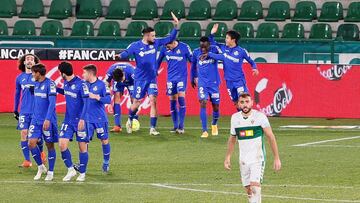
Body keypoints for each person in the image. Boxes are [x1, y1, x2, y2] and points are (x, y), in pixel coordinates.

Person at [118, 12, 179, 135]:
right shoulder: (135, 46)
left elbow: (170, 38)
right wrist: (120, 55)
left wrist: (176, 25)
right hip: (140, 79)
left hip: (152, 78)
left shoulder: (156, 43)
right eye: (152, 36)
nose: (155, 38)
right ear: (146, 36)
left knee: (153, 100)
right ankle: (130, 119)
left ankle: (152, 128)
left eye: (155, 35)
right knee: (136, 103)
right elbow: (126, 52)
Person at [224, 93, 281, 203]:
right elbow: (232, 139)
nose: (245, 104)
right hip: (243, 160)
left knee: (255, 187)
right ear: (238, 104)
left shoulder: (260, 117)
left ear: (252, 103)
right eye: (242, 102)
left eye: (247, 102)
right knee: (249, 191)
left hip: (257, 159)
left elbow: (271, 137)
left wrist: (276, 157)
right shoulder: (235, 118)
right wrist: (228, 157)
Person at [208, 24, 258, 111]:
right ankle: (241, 120)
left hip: (239, 81)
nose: (225, 39)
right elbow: (212, 42)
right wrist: (212, 33)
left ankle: (249, 119)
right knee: (236, 103)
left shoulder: (241, 51)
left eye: (227, 38)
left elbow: (251, 61)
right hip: (228, 81)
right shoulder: (223, 48)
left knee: (244, 100)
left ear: (233, 40)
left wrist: (254, 68)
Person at [56, 61, 89, 182]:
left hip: (80, 122)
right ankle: (71, 169)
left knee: (82, 148)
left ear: (63, 73)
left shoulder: (82, 84)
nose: (60, 75)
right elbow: (66, 92)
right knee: (62, 144)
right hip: (68, 120)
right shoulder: (65, 83)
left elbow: (87, 103)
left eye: (60, 73)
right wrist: (56, 89)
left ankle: (83, 173)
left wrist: (82, 119)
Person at [14, 54, 46, 168]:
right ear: (24, 62)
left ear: (35, 63)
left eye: (32, 59)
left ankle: (41, 153)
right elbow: (17, 94)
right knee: (23, 133)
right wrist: (15, 109)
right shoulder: (19, 78)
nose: (29, 61)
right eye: (27, 59)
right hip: (24, 110)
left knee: (37, 138)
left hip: (37, 111)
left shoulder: (39, 76)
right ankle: (27, 160)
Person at [28, 63, 58, 181]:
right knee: (31, 143)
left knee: (49, 145)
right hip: (36, 120)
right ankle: (40, 167)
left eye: (33, 73)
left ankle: (50, 172)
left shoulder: (50, 84)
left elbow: (52, 103)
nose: (32, 75)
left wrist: (48, 119)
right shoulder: (35, 84)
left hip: (47, 121)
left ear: (38, 73)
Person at [156, 40, 192, 133]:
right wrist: (155, 70)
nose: (167, 48)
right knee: (172, 102)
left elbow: (193, 61)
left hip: (181, 78)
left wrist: (195, 74)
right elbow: (158, 61)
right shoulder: (164, 48)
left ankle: (181, 126)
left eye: (168, 46)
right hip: (170, 78)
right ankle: (175, 126)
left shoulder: (184, 47)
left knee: (181, 99)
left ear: (173, 43)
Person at [82, 64, 111, 173]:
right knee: (84, 141)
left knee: (104, 140)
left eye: (84, 72)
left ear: (90, 73)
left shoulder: (102, 85)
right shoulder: (83, 84)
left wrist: (96, 97)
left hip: (99, 119)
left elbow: (108, 99)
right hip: (87, 119)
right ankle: (83, 165)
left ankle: (106, 162)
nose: (82, 75)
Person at [190, 36, 222, 138]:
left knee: (216, 106)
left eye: (205, 46)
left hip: (214, 84)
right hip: (202, 84)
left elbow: (223, 57)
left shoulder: (215, 49)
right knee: (203, 102)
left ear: (209, 45)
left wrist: (210, 55)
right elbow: (193, 66)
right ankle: (204, 130)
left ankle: (214, 124)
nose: (202, 48)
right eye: (201, 46)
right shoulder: (196, 52)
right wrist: (192, 77)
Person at [104, 62, 139, 132]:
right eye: (120, 80)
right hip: (118, 83)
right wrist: (108, 93)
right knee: (116, 97)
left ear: (123, 73)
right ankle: (117, 126)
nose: (122, 81)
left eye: (122, 79)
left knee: (134, 100)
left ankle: (133, 120)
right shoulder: (110, 72)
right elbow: (106, 82)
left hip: (131, 82)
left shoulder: (132, 72)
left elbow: (138, 83)